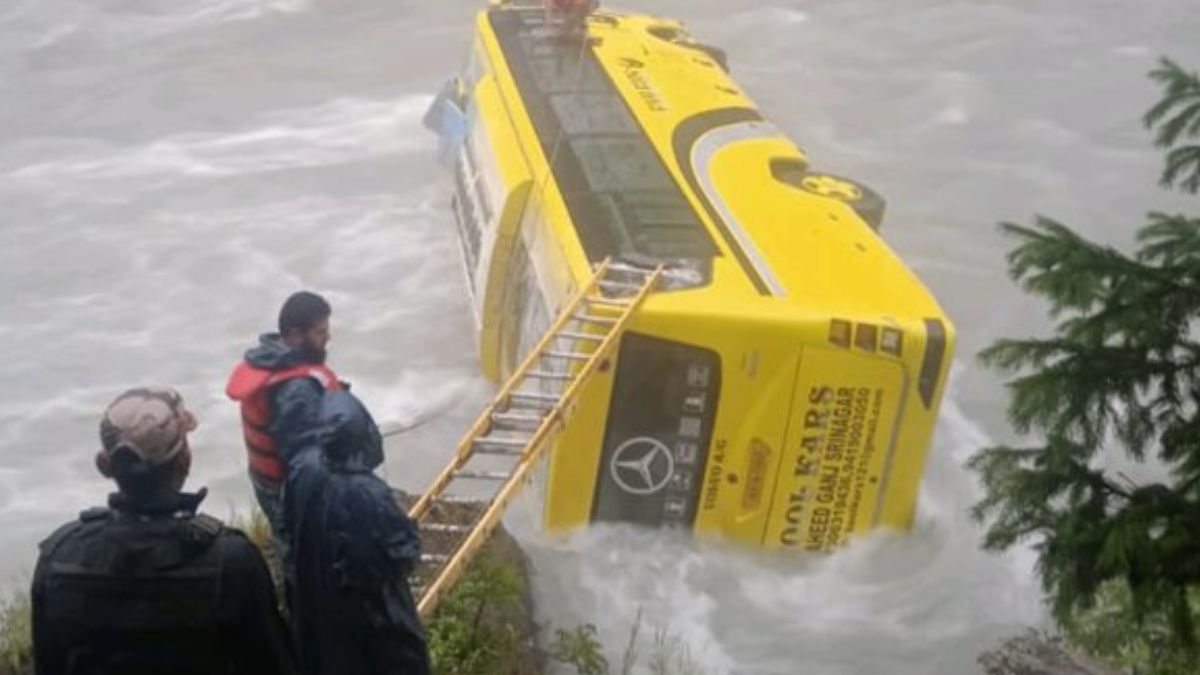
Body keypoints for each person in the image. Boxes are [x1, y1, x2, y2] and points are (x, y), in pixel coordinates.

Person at [30, 387, 296, 675]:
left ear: (108, 466)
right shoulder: (231, 562)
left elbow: (47, 663)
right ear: (184, 460)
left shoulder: (58, 557)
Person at [283, 390, 429, 675]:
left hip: (316, 620)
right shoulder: (368, 494)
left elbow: (287, 529)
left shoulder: (301, 469)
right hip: (373, 639)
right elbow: (398, 558)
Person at [226, 291, 343, 568]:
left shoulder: (268, 360)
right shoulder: (296, 391)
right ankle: (305, 600)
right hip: (287, 489)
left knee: (287, 541)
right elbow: (307, 462)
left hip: (266, 479)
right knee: (303, 551)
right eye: (320, 331)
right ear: (293, 335)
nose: (327, 337)